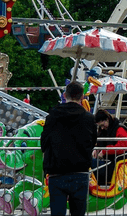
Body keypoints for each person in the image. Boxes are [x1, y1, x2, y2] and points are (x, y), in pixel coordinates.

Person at [41, 82, 96, 216]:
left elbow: (44, 142)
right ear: (82, 96)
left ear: (65, 95)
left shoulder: (53, 116)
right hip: (80, 172)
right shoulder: (89, 118)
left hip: (57, 172)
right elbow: (92, 142)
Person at [93, 109, 127, 187]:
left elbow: (122, 147)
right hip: (111, 161)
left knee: (91, 164)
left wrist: (105, 151)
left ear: (107, 119)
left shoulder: (120, 129)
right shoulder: (106, 130)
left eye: (103, 125)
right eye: (100, 126)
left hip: (117, 163)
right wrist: (97, 149)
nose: (102, 128)